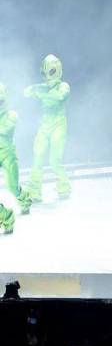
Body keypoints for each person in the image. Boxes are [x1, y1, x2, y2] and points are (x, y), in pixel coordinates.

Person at [22, 54, 71, 206]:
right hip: (44, 126)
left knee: (55, 160)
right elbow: (26, 92)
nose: (47, 76)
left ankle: (64, 186)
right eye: (45, 73)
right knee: (38, 157)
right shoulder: (43, 87)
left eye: (50, 71)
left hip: (59, 125)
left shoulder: (63, 86)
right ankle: (34, 191)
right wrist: (38, 89)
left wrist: (41, 92)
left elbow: (60, 96)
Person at [0, 83, 28, 233]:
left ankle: (24, 199)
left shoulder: (12, 115)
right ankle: (6, 216)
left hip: (7, 155)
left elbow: (5, 130)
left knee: (12, 186)